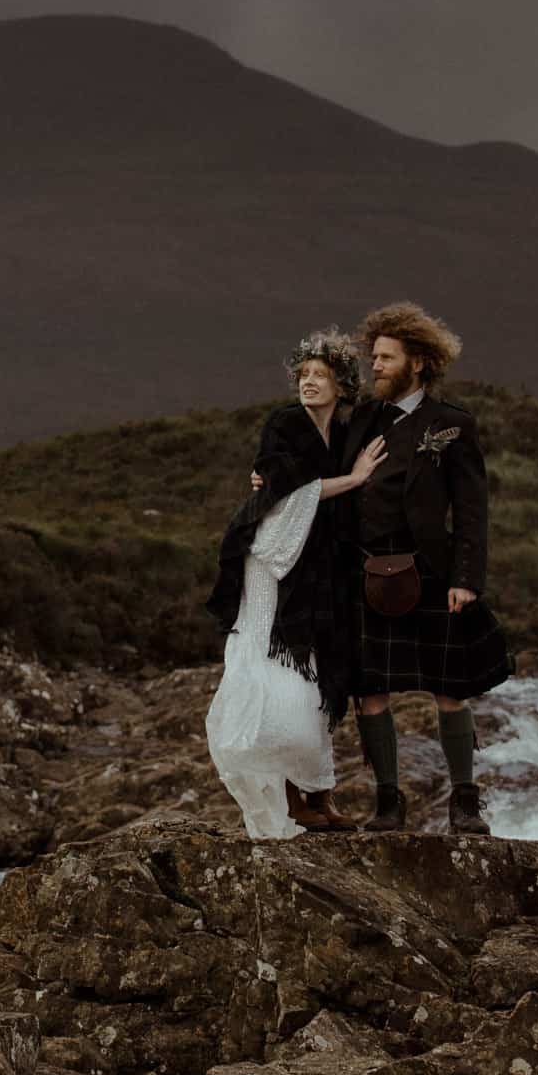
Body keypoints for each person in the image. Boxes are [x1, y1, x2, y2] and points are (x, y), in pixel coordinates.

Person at [336, 301, 514, 834]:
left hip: (432, 572)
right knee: (369, 690)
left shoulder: (453, 424)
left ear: (418, 361)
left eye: (387, 358)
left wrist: (466, 578)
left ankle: (465, 803)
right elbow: (321, 463)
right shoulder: (362, 418)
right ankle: (388, 803)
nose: (377, 367)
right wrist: (267, 476)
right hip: (366, 570)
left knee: (449, 687)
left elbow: (472, 509)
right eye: (375, 358)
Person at [203, 328, 388, 839]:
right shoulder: (285, 423)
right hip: (271, 559)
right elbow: (282, 484)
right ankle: (290, 794)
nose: (309, 383)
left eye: (321, 376)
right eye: (304, 375)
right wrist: (351, 480)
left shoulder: (341, 431)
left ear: (341, 385)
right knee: (276, 659)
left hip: (315, 563)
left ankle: (318, 795)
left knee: (319, 664)